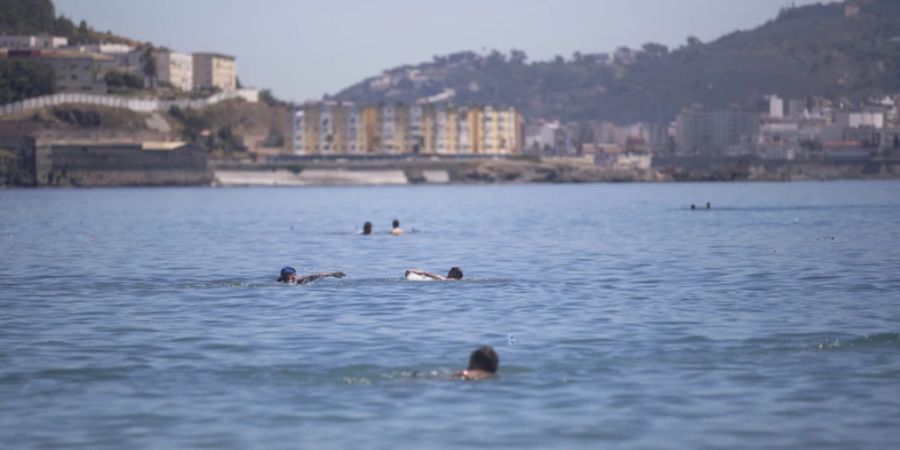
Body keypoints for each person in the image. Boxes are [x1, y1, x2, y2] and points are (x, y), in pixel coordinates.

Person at [277, 266, 345, 284]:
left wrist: (332, 274)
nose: (286, 276)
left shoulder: (301, 280)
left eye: (288, 274)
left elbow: (318, 275)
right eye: (284, 275)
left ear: (294, 275)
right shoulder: (280, 281)